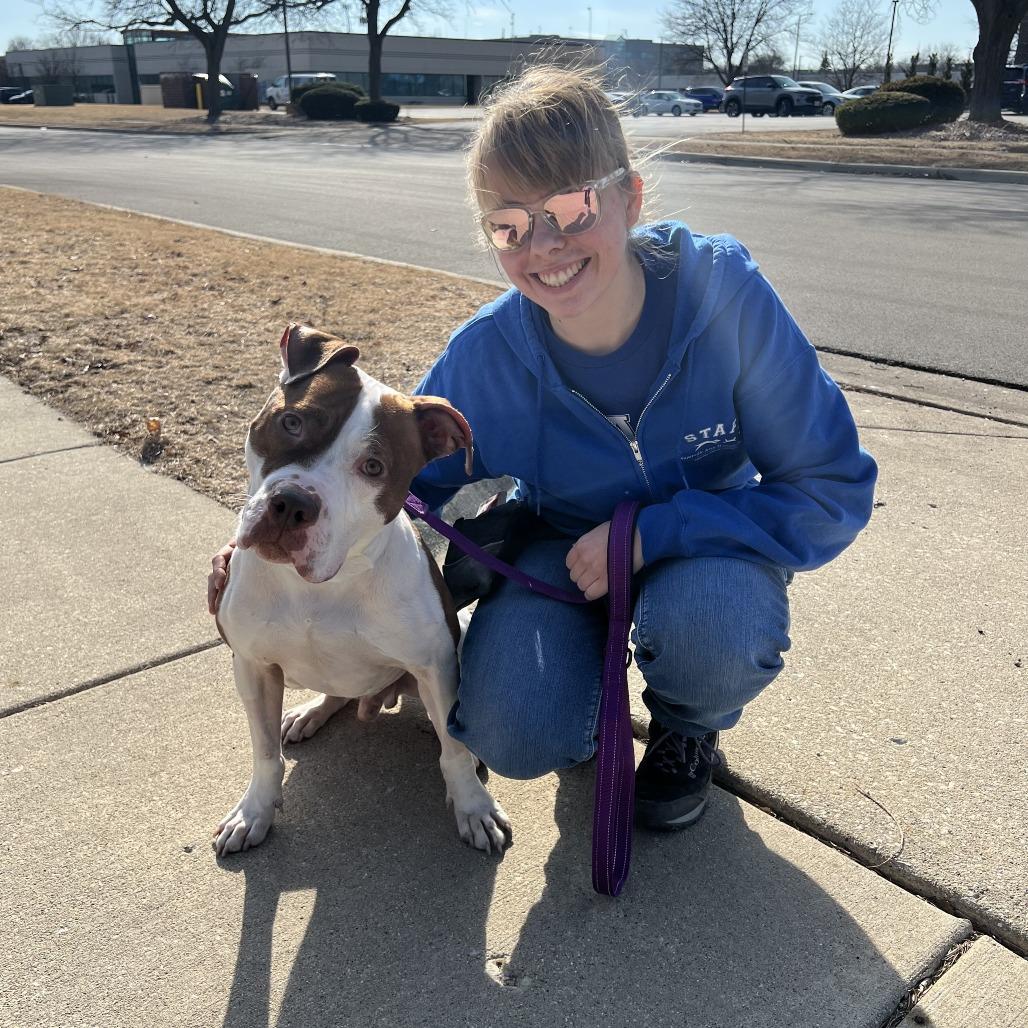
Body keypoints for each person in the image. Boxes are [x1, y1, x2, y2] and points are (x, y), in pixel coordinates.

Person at [210, 63, 877, 832]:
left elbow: (830, 489)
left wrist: (654, 533)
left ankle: (687, 725)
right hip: (558, 557)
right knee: (512, 734)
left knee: (714, 629)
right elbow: (393, 489)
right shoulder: (485, 356)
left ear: (629, 196)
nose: (545, 245)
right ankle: (577, 694)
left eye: (571, 206)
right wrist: (265, 543)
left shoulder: (723, 298)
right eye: (510, 225)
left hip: (712, 547)